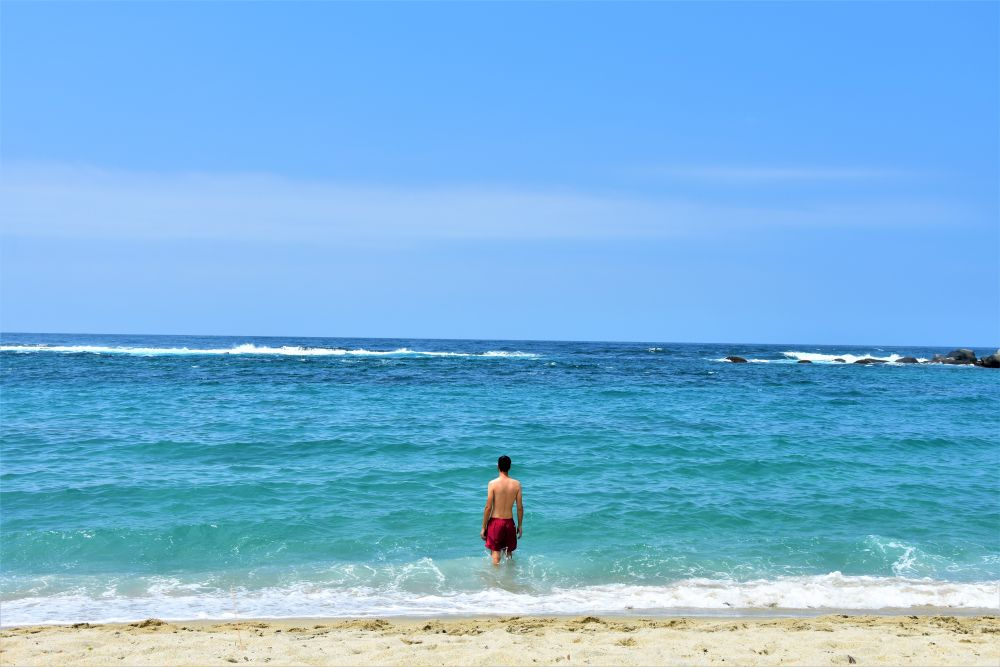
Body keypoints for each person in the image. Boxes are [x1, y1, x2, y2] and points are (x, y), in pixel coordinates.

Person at [480, 455, 523, 565]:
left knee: (495, 555)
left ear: (498, 466)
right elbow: (519, 507)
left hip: (496, 522)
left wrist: (483, 527)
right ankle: (510, 575)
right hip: (509, 523)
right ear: (510, 467)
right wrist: (520, 525)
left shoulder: (492, 484)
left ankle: (495, 576)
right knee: (509, 553)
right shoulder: (517, 484)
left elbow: (488, 507)